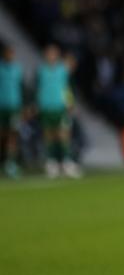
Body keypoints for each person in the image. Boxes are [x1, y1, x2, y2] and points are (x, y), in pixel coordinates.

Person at [36, 44, 82, 178]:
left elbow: (68, 86)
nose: (51, 56)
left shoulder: (63, 70)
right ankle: (52, 163)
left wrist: (70, 102)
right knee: (49, 135)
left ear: (57, 55)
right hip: (46, 107)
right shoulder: (41, 71)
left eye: (53, 53)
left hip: (60, 107)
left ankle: (67, 162)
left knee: (63, 135)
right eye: (49, 53)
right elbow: (37, 89)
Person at [0, 44, 24, 178]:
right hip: (1, 107)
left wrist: (24, 106)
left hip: (14, 107)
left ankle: (11, 163)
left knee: (13, 135)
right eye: (8, 53)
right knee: (2, 134)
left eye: (12, 54)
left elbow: (21, 88)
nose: (10, 56)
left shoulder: (17, 69)